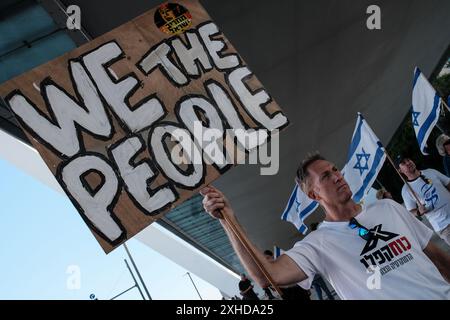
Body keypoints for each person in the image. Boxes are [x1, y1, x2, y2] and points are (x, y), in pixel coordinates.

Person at [201, 153, 450, 299]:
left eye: (335, 170)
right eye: (326, 177)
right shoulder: (318, 244)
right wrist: (228, 219)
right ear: (313, 195)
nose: (337, 176)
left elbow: (437, 255)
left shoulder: (389, 208)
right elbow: (269, 276)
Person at [396, 154, 450, 246]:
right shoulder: (406, 190)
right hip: (443, 226)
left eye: (408, 159)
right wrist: (418, 212)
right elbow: (411, 212)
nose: (408, 163)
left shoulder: (430, 171)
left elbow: (448, 183)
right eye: (403, 163)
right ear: (400, 170)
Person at [309, 223, 335, 300]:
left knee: (318, 291)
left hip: (312, 279)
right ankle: (331, 298)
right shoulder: (318, 235)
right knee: (325, 289)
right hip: (317, 277)